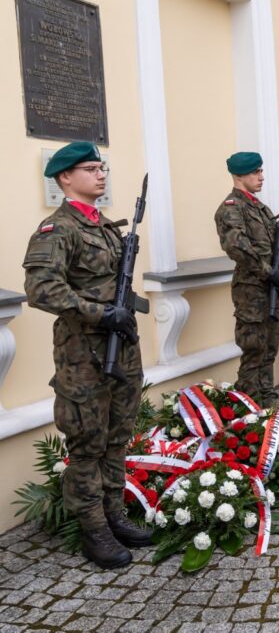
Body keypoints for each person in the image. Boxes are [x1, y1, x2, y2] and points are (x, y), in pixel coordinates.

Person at [23, 141, 152, 569]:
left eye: (102, 167)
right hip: (84, 357)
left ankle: (115, 515)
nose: (101, 174)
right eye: (91, 168)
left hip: (122, 351)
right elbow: (42, 290)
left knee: (117, 438)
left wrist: (125, 309)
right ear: (65, 178)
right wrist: (102, 313)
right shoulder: (57, 229)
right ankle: (94, 529)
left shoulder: (106, 227)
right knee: (87, 445)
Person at [215, 152, 279, 407]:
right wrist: (269, 272)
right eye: (256, 172)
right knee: (254, 350)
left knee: (269, 349)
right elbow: (238, 248)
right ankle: (247, 408)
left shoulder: (259, 206)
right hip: (252, 291)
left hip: (272, 287)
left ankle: (267, 402)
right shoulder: (231, 208)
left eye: (261, 171)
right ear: (239, 175)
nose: (261, 176)